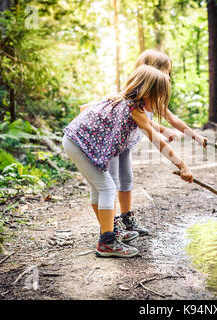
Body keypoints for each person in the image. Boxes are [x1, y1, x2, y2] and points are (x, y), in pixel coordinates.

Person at [62, 65, 194, 258]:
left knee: (99, 189)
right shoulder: (135, 110)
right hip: (79, 144)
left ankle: (110, 233)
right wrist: (182, 165)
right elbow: (158, 142)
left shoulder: (127, 102)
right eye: (158, 98)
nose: (158, 104)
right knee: (107, 188)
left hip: (75, 141)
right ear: (147, 93)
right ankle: (107, 243)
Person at [80, 50, 207, 238]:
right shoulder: (130, 98)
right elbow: (144, 123)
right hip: (112, 144)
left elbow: (168, 120)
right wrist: (177, 157)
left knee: (126, 178)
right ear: (151, 72)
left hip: (125, 145)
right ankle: (111, 226)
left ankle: (126, 218)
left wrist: (194, 136)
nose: (168, 77)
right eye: (166, 72)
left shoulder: (152, 99)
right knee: (111, 183)